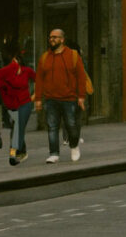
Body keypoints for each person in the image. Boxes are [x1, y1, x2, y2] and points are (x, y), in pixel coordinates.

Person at [34, 29, 89, 163]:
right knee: (52, 127)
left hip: (69, 99)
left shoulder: (73, 55)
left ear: (62, 40)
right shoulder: (45, 57)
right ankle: (54, 154)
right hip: (50, 99)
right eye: (50, 37)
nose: (52, 39)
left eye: (55, 37)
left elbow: (81, 77)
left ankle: (74, 145)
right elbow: (39, 79)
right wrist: (38, 99)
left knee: (72, 125)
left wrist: (81, 97)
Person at [0, 45, 35, 165]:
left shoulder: (26, 71)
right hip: (11, 105)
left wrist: (35, 95)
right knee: (17, 128)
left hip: (25, 104)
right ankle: (22, 151)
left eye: (15, 60)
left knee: (17, 128)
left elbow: (39, 80)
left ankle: (13, 154)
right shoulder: (7, 74)